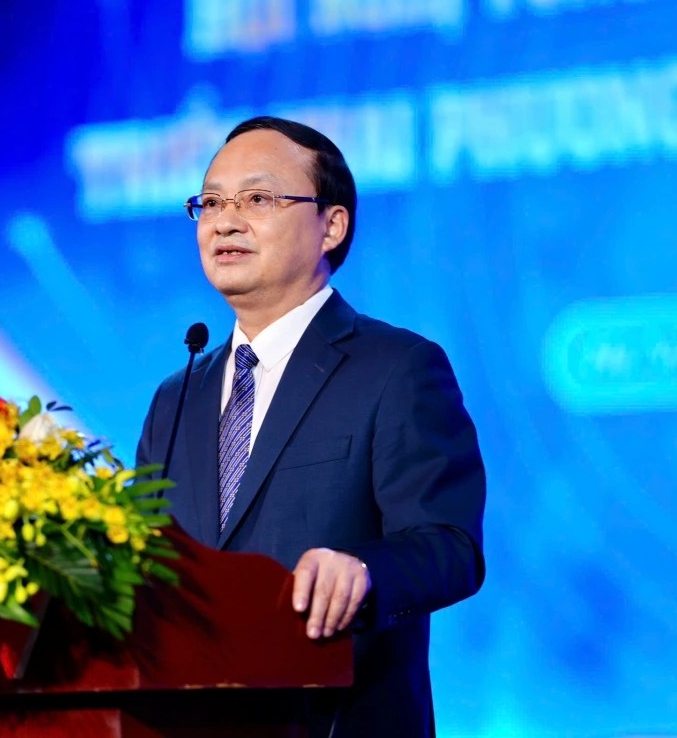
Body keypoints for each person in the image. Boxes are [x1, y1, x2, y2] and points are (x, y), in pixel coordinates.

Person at [135, 116, 486, 737]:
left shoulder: (398, 367)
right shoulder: (176, 396)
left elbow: (449, 545)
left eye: (258, 199)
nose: (225, 221)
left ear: (332, 225)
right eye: (210, 202)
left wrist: (363, 572)